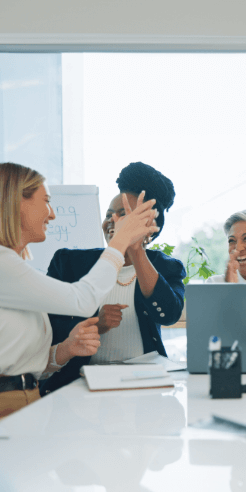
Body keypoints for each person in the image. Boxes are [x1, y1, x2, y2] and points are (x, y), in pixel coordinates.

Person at [0, 162, 158, 426]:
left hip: (25, 402)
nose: (52, 214)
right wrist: (122, 239)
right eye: (46, 201)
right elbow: (83, 300)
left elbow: (19, 362)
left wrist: (66, 349)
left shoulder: (9, 268)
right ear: (16, 203)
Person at [43, 162, 186, 395]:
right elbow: (49, 326)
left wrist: (136, 249)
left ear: (150, 225)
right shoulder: (68, 263)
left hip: (144, 386)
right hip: (80, 386)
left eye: (124, 215)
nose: (112, 220)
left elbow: (168, 314)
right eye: (109, 214)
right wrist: (96, 325)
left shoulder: (167, 268)